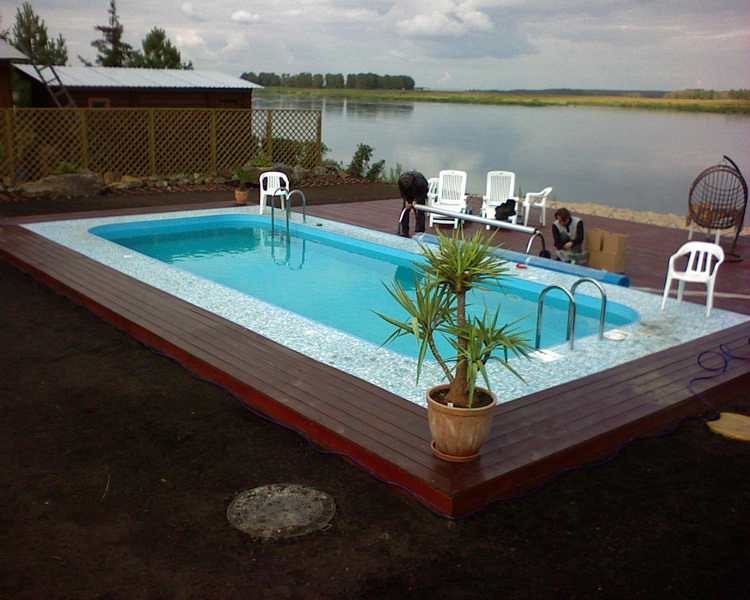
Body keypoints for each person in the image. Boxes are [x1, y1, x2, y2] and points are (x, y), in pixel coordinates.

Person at [397, 171, 428, 237]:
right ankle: (405, 231)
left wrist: (416, 200)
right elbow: (402, 192)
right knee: (405, 210)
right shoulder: (400, 181)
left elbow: (424, 192)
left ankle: (420, 231)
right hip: (407, 194)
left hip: (420, 192)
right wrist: (406, 200)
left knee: (420, 211)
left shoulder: (421, 182)